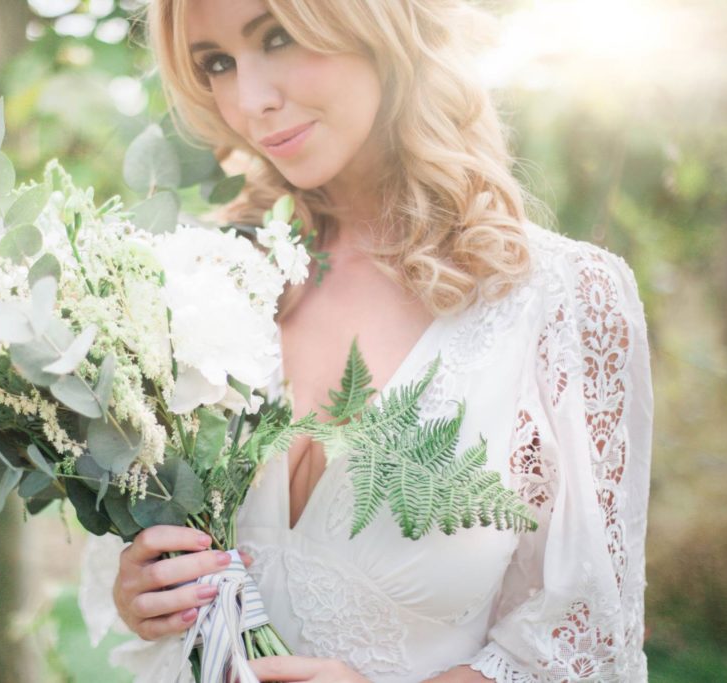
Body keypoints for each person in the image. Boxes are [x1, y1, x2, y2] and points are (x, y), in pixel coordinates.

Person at [79, 0, 654, 681]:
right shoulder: (198, 282)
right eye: (218, 63)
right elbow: (144, 547)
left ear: (381, 22)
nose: (250, 100)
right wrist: (143, 589)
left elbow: (584, 647)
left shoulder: (564, 299)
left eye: (279, 35)